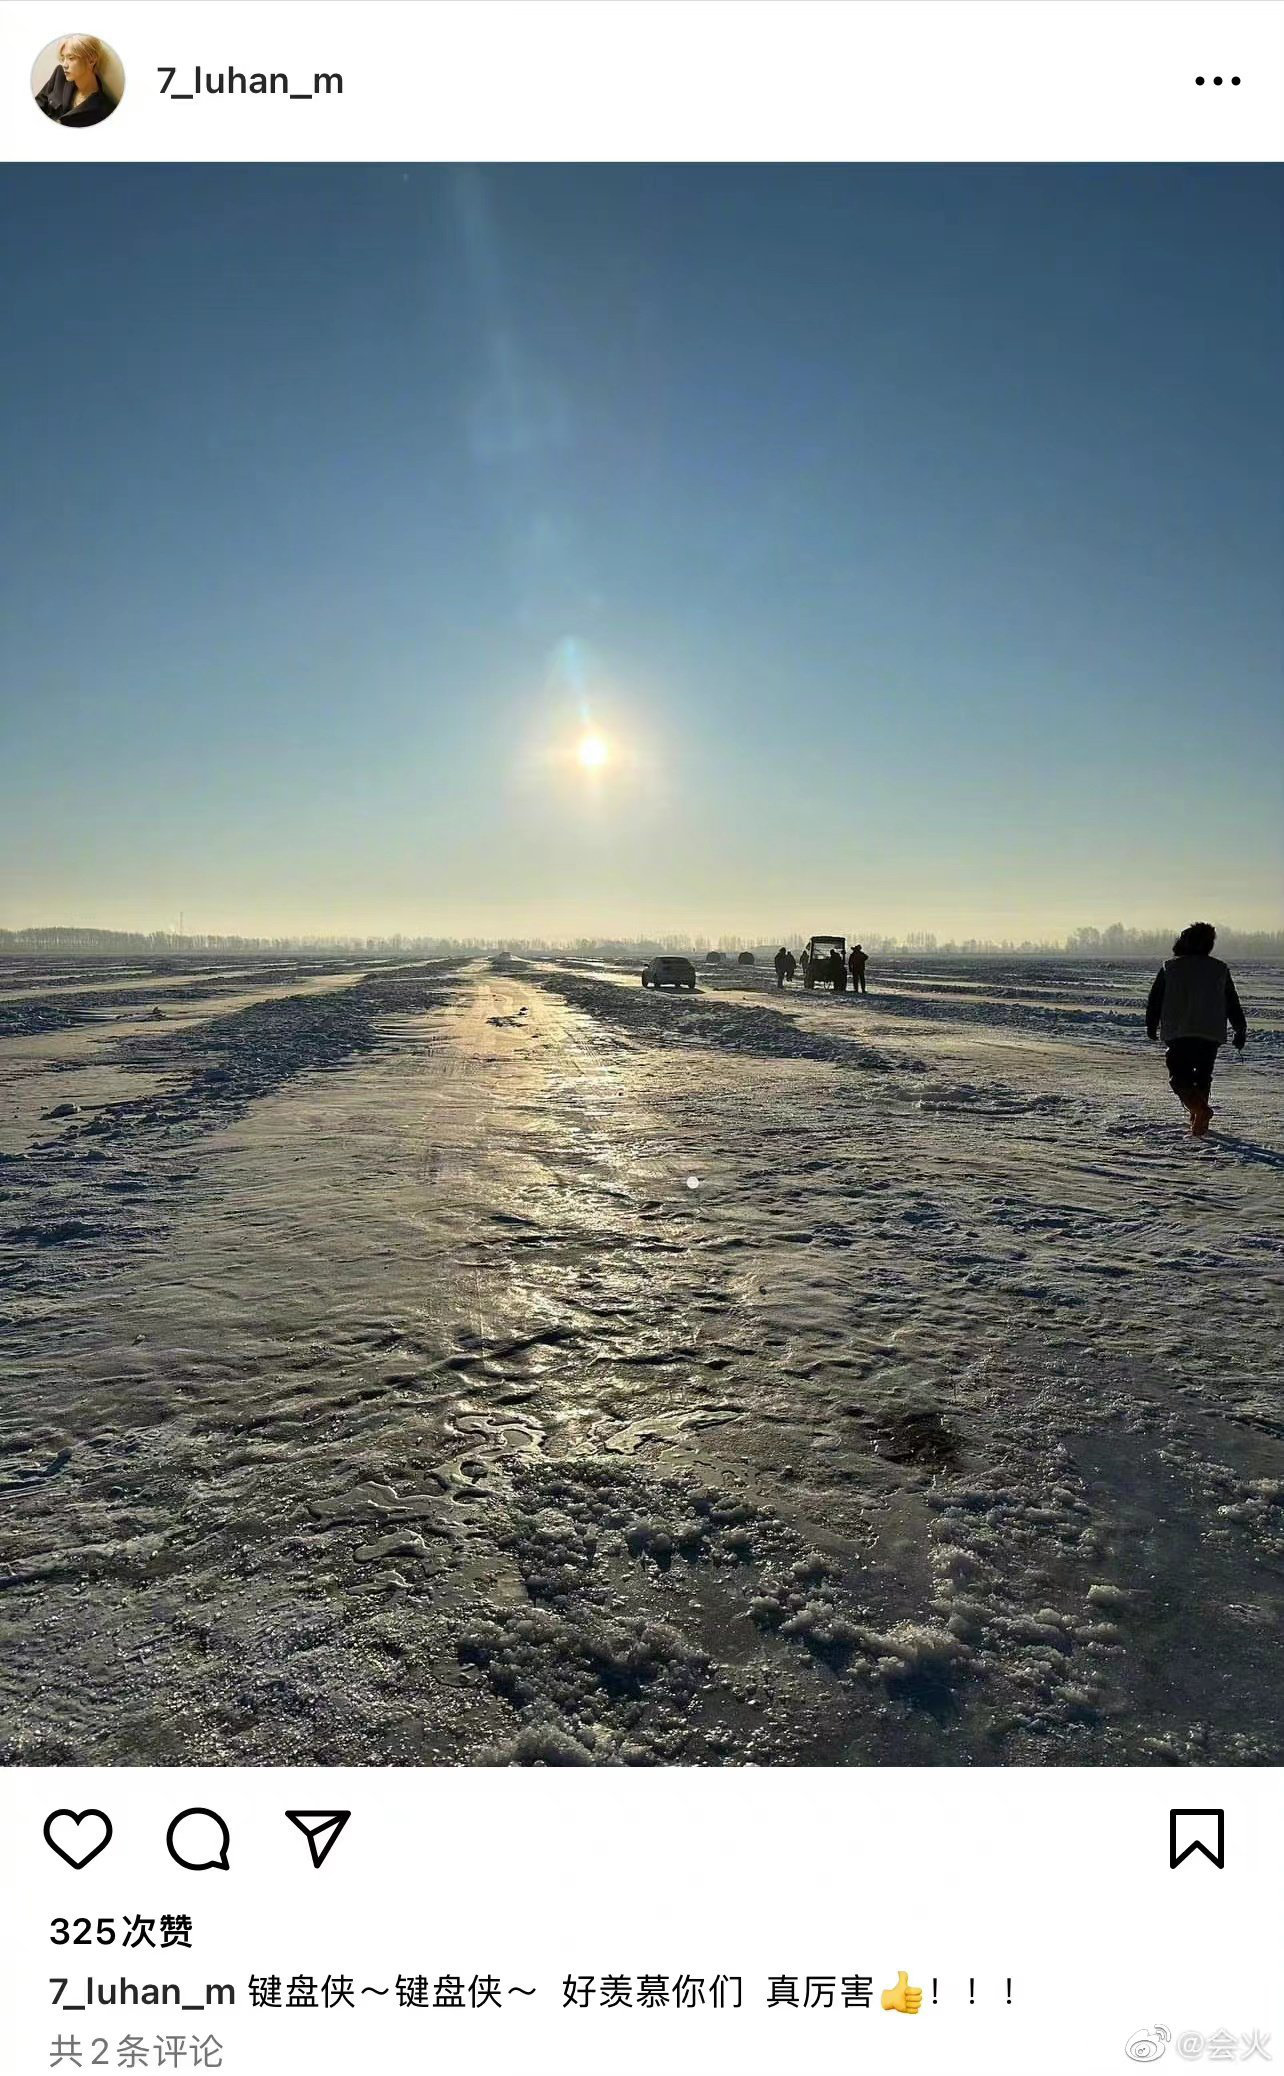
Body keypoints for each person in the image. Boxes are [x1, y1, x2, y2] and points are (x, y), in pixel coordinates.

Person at [1145, 921, 1247, 1137]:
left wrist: (1151, 1023)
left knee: (1179, 1078)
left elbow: (1155, 999)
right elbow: (1231, 1001)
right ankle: (1199, 1123)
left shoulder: (1170, 967)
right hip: (1210, 1033)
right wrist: (1239, 1028)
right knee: (1203, 1075)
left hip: (1180, 1031)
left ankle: (1200, 1111)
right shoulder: (1219, 968)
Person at [35, 36, 117, 126]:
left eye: (71, 58)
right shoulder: (60, 74)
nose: (64, 65)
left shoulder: (105, 110)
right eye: (63, 58)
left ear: (91, 60)